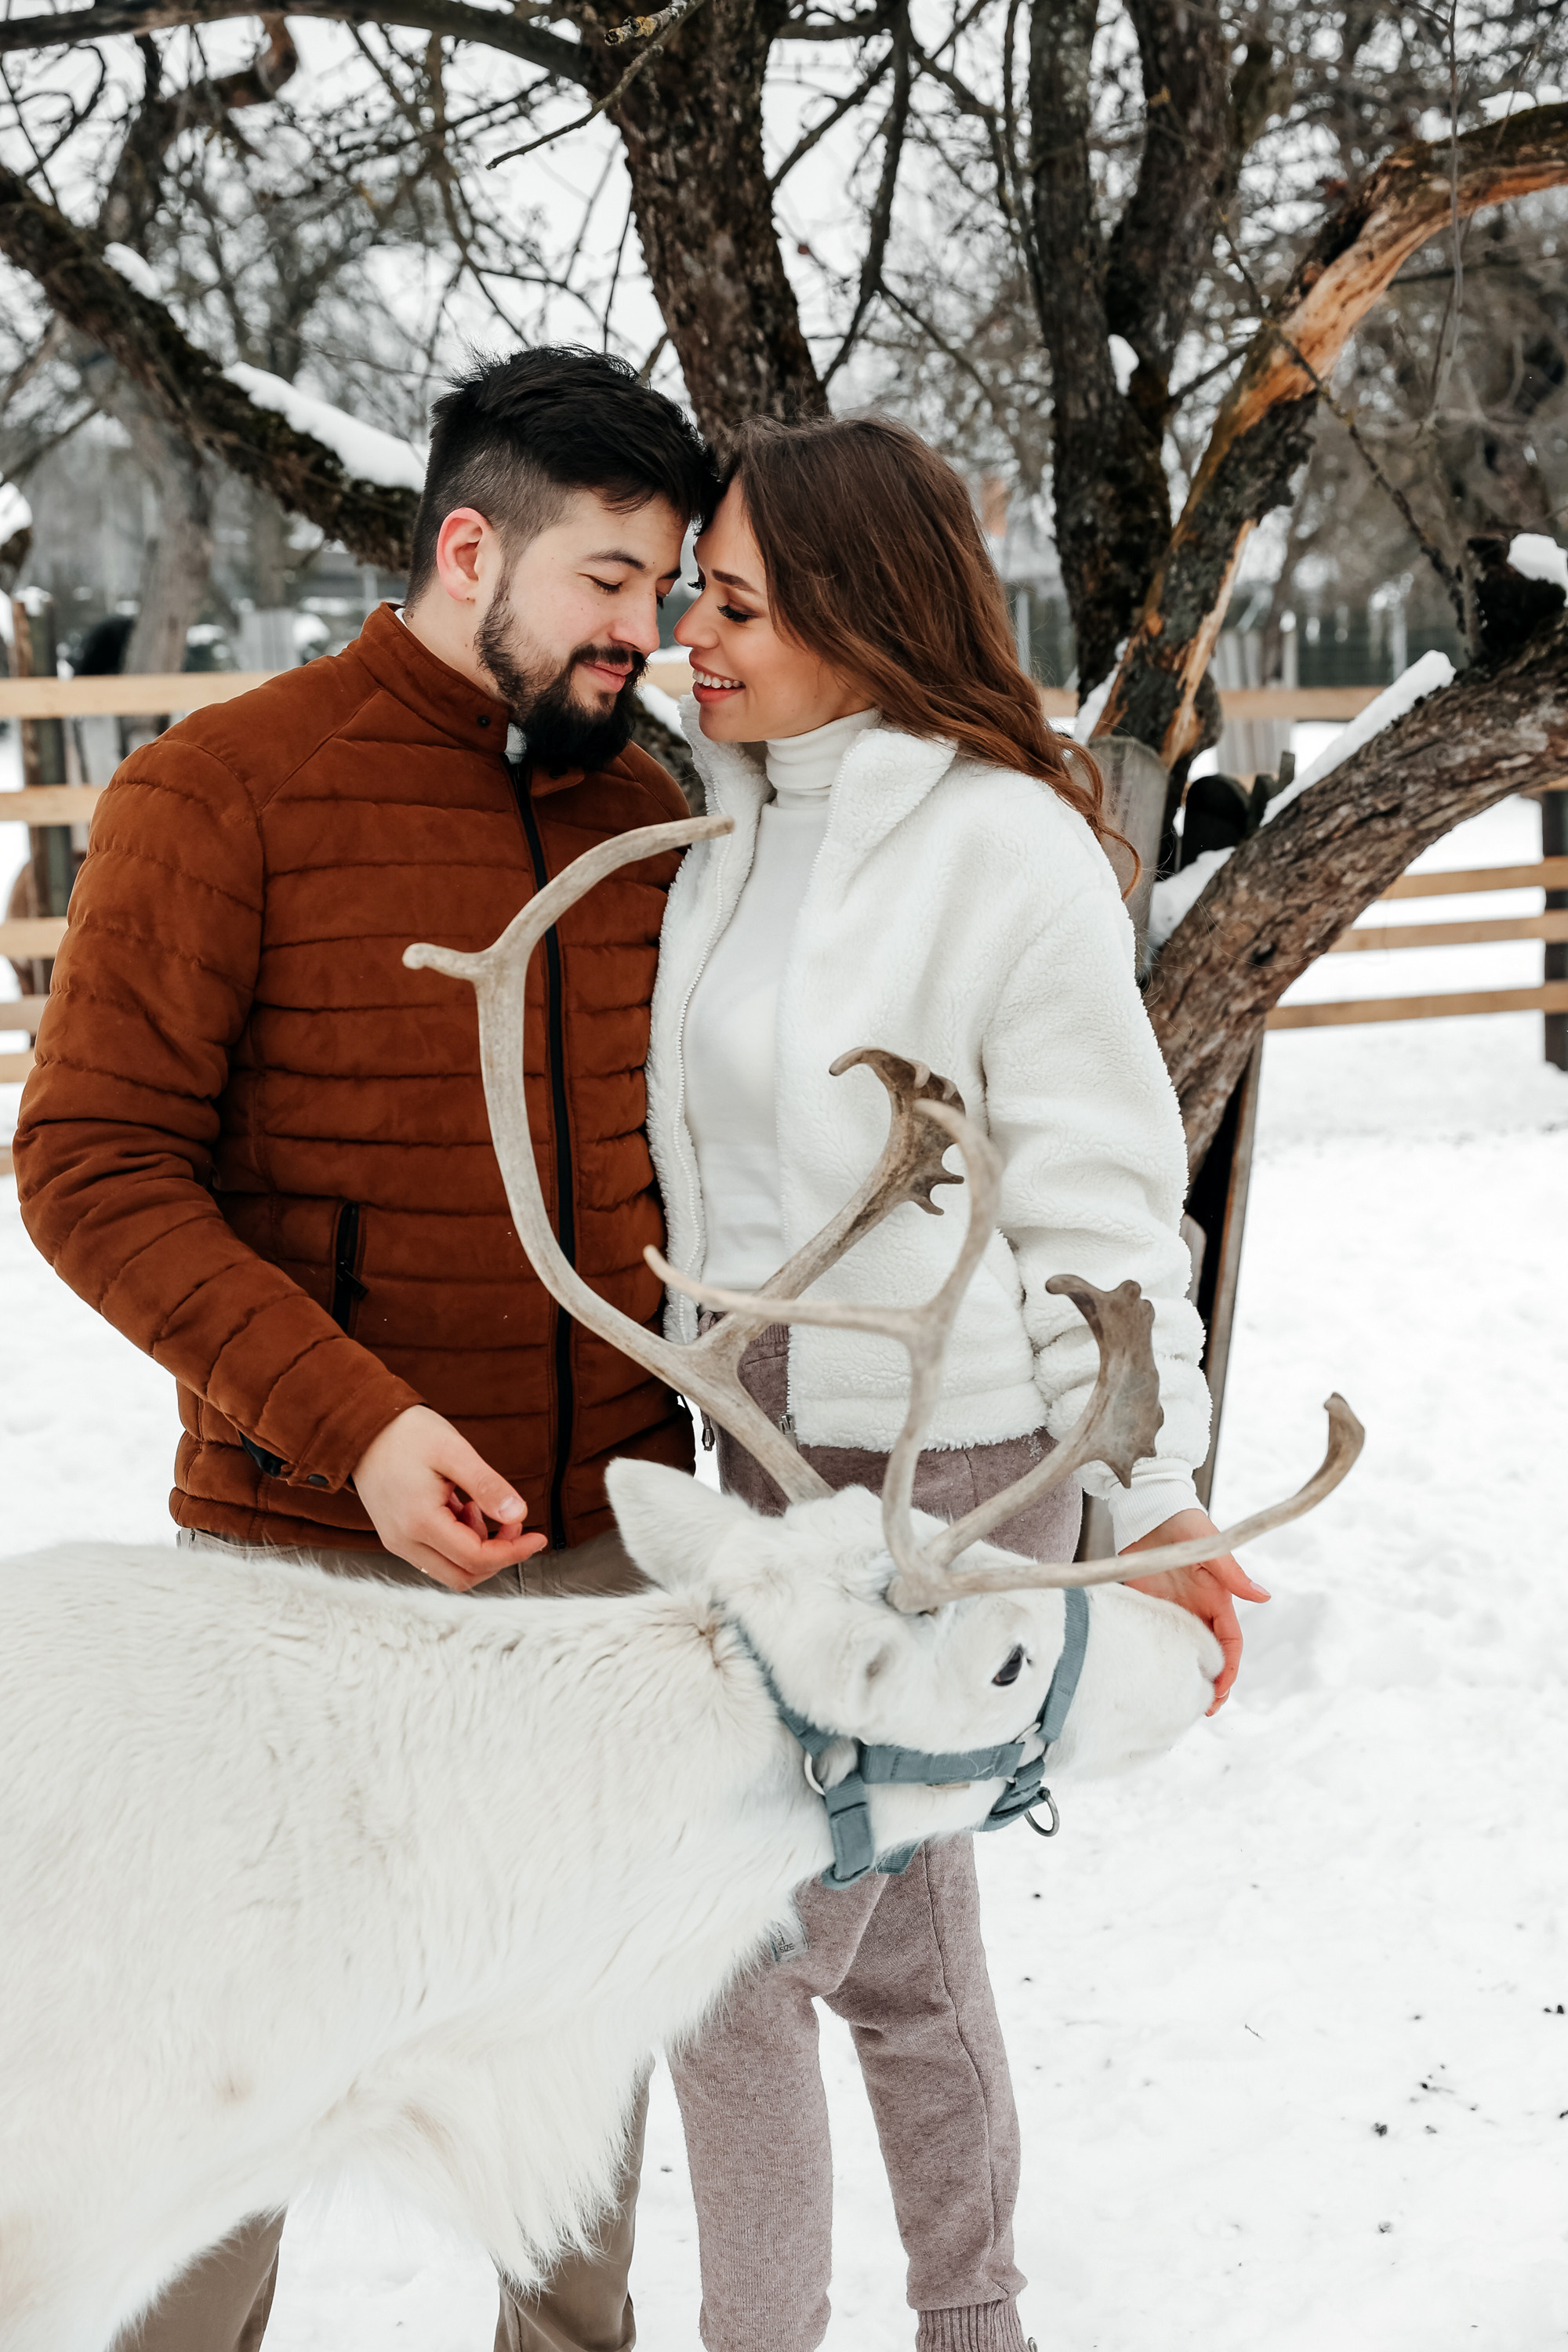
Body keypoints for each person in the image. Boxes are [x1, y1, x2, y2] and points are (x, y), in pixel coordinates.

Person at [13, 345, 716, 2352]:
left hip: (591, 1588)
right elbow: (88, 1166)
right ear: (469, 544)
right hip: (291, 1597)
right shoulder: (216, 794)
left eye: (664, 592)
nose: (639, 633)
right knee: (207, 2144)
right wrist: (364, 1427)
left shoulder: (648, 817)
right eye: (607, 579)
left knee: (567, 2165)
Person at [645, 412, 1270, 2352]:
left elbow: (1101, 1196)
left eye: (736, 601)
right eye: (689, 598)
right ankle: (976, 2322)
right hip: (752, 1460)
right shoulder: (725, 823)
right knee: (899, 1947)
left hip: (943, 1470)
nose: (695, 637)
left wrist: (1142, 1491)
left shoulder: (1008, 846)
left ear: (852, 601)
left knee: (724, 1950)